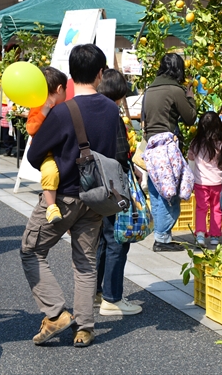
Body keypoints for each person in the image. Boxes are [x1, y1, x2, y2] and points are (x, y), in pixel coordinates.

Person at [23, 44, 119, 348]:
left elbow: (34, 153)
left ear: (71, 77)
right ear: (101, 74)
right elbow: (120, 152)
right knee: (86, 261)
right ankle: (84, 327)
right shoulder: (112, 109)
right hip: (97, 197)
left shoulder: (64, 111)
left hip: (63, 196)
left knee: (31, 249)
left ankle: (55, 313)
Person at [95, 69, 141, 317]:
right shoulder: (112, 113)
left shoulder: (91, 108)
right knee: (117, 240)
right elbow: (121, 154)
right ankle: (112, 298)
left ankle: (96, 292)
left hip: (96, 184)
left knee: (103, 237)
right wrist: (131, 171)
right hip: (114, 185)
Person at [141, 52, 196, 252]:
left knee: (156, 191)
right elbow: (190, 118)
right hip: (168, 148)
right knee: (171, 193)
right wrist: (190, 98)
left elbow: (144, 119)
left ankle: (161, 235)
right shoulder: (175, 90)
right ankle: (162, 239)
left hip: (151, 147)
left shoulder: (150, 89)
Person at [25, 67, 68, 224]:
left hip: (62, 150)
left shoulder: (64, 107)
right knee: (50, 173)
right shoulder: (39, 105)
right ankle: (51, 207)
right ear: (59, 89)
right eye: (65, 89)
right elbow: (31, 128)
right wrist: (44, 110)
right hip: (46, 152)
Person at [188, 111, 222, 246]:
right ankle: (215, 236)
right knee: (217, 208)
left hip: (200, 182)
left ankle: (200, 235)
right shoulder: (221, 145)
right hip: (218, 182)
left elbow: (191, 159)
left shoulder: (195, 144)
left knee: (201, 209)